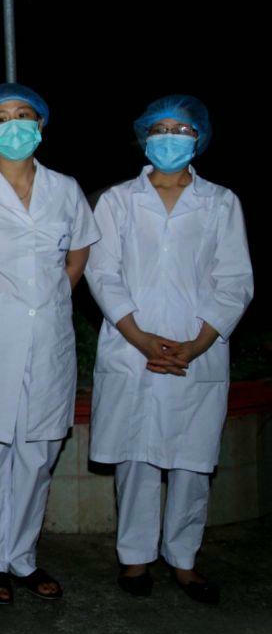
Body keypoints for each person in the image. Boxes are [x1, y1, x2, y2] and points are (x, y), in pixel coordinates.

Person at [86, 95, 252, 605]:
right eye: (160, 128)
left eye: (182, 129)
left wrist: (198, 343)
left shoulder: (220, 202)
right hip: (131, 345)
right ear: (143, 136)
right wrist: (139, 338)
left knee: (191, 460)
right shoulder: (117, 200)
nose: (170, 137)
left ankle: (184, 559)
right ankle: (135, 556)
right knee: (136, 456)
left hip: (196, 348)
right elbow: (103, 272)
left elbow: (235, 280)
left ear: (199, 137)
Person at [0, 83, 99, 605]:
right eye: (1, 117)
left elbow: (78, 253)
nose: (13, 124)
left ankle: (23, 558)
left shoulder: (65, 188)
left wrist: (52, 297)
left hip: (49, 337)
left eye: (23, 114)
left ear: (41, 124)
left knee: (37, 457)